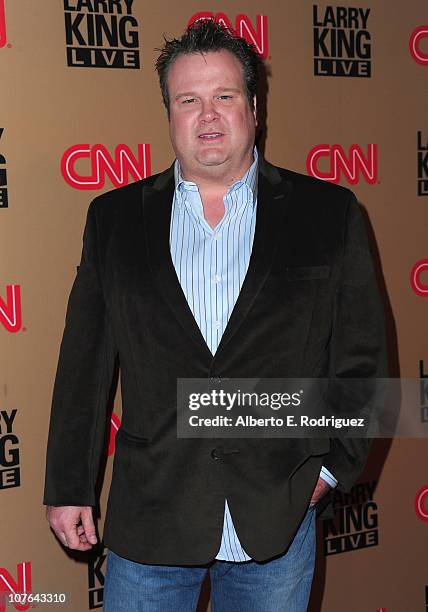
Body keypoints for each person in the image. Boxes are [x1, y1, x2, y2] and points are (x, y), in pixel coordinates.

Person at [44, 19, 387, 612]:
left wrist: (331, 471)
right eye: (189, 100)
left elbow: (363, 365)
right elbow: (84, 366)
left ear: (253, 107)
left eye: (224, 96)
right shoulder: (114, 221)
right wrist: (70, 486)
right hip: (151, 520)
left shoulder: (329, 215)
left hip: (277, 521)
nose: (207, 115)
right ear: (170, 113)